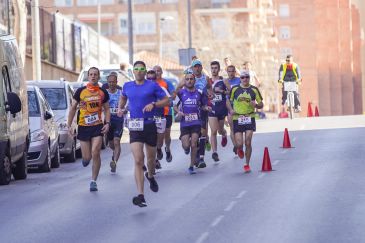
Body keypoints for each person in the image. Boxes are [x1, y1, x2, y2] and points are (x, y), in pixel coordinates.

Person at [117, 61, 169, 207]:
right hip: (135, 126)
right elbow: (123, 98)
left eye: (141, 69)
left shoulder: (152, 86)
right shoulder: (127, 86)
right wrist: (121, 109)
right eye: (136, 69)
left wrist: (154, 104)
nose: (139, 71)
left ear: (145, 71)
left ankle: (150, 175)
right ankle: (141, 195)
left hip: (150, 124)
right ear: (133, 71)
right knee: (139, 160)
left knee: (151, 160)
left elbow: (166, 101)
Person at [67, 67, 110, 191]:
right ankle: (86, 160)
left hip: (97, 126)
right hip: (84, 126)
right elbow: (73, 108)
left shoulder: (102, 92)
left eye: (95, 74)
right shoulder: (80, 91)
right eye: (91, 74)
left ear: (98, 76)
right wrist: (69, 125)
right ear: (88, 76)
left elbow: (107, 109)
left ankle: (93, 181)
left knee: (96, 151)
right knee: (87, 157)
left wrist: (107, 123)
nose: (93, 76)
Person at [226, 70, 263, 173]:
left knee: (248, 142)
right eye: (242, 77)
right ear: (240, 79)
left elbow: (261, 104)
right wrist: (231, 110)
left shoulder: (254, 90)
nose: (245, 79)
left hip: (249, 117)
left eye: (246, 77)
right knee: (239, 143)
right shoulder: (235, 89)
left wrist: (255, 105)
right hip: (237, 118)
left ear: (249, 78)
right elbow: (228, 100)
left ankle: (247, 164)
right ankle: (239, 149)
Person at [174, 72, 211, 174]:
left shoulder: (199, 92)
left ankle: (191, 166)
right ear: (184, 81)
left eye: (191, 79)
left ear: (194, 81)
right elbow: (175, 106)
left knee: (194, 144)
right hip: (185, 123)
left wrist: (206, 107)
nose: (189, 81)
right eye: (187, 79)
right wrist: (179, 112)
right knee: (186, 145)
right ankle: (184, 142)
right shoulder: (181, 93)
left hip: (196, 122)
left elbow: (203, 105)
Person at [208, 61, 228, 162]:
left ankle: (224, 134)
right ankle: (214, 152)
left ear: (219, 69)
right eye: (212, 68)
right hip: (211, 109)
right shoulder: (208, 82)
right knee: (213, 131)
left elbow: (231, 91)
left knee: (220, 130)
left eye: (216, 68)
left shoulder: (223, 81)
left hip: (221, 109)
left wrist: (222, 91)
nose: (214, 70)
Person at [153, 65, 173, 164]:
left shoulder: (166, 83)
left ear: (161, 72)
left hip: (167, 112)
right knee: (156, 136)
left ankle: (168, 148)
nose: (157, 73)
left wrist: (171, 101)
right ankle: (157, 154)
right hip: (155, 113)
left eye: (158, 71)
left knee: (167, 135)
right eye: (155, 71)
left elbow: (173, 94)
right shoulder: (150, 83)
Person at [106, 72, 124, 173]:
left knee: (117, 141)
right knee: (111, 144)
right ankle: (114, 153)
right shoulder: (104, 93)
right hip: (108, 121)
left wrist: (124, 110)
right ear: (107, 83)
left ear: (116, 82)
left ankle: (115, 162)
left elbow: (126, 105)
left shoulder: (121, 93)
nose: (111, 84)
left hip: (118, 120)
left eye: (113, 82)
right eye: (110, 82)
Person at [224, 65, 241, 154]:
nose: (230, 73)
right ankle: (235, 146)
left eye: (232, 71)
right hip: (229, 105)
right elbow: (223, 93)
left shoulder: (239, 80)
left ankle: (239, 144)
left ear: (235, 72)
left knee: (239, 127)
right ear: (227, 72)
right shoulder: (225, 81)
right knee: (232, 127)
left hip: (239, 106)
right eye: (229, 71)